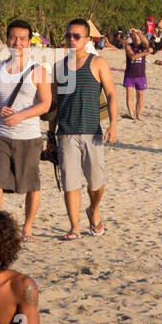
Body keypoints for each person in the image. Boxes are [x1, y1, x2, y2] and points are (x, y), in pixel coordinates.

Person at [0, 20, 51, 242]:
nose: (17, 43)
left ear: (29, 42)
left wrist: (21, 115)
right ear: (6, 39)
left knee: (31, 184)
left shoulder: (39, 70)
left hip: (28, 137)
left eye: (23, 39)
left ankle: (27, 227)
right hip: (1, 136)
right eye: (13, 38)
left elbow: (45, 104)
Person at [54, 19, 118, 240]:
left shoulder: (98, 63)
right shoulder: (59, 66)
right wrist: (50, 135)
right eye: (68, 35)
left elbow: (111, 94)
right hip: (65, 132)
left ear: (87, 40)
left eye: (76, 36)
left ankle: (93, 210)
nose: (71, 39)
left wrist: (113, 124)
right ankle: (74, 227)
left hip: (92, 131)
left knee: (96, 182)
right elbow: (55, 104)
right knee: (70, 182)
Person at [123, 28, 150, 120]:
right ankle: (131, 115)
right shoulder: (128, 46)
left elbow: (146, 43)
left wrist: (139, 32)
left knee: (140, 96)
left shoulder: (142, 45)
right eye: (133, 35)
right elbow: (132, 57)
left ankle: (138, 116)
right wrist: (146, 53)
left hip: (141, 75)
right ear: (131, 37)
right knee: (129, 95)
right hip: (129, 75)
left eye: (137, 35)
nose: (136, 37)